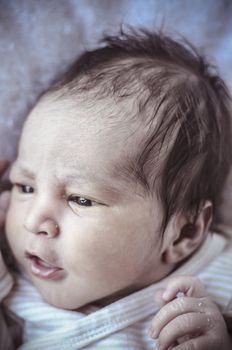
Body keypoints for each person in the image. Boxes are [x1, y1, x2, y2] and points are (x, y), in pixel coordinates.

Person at [0, 28, 232, 349]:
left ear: (184, 232)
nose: (32, 221)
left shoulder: (219, 287)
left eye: (80, 199)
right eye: (25, 187)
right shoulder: (13, 284)